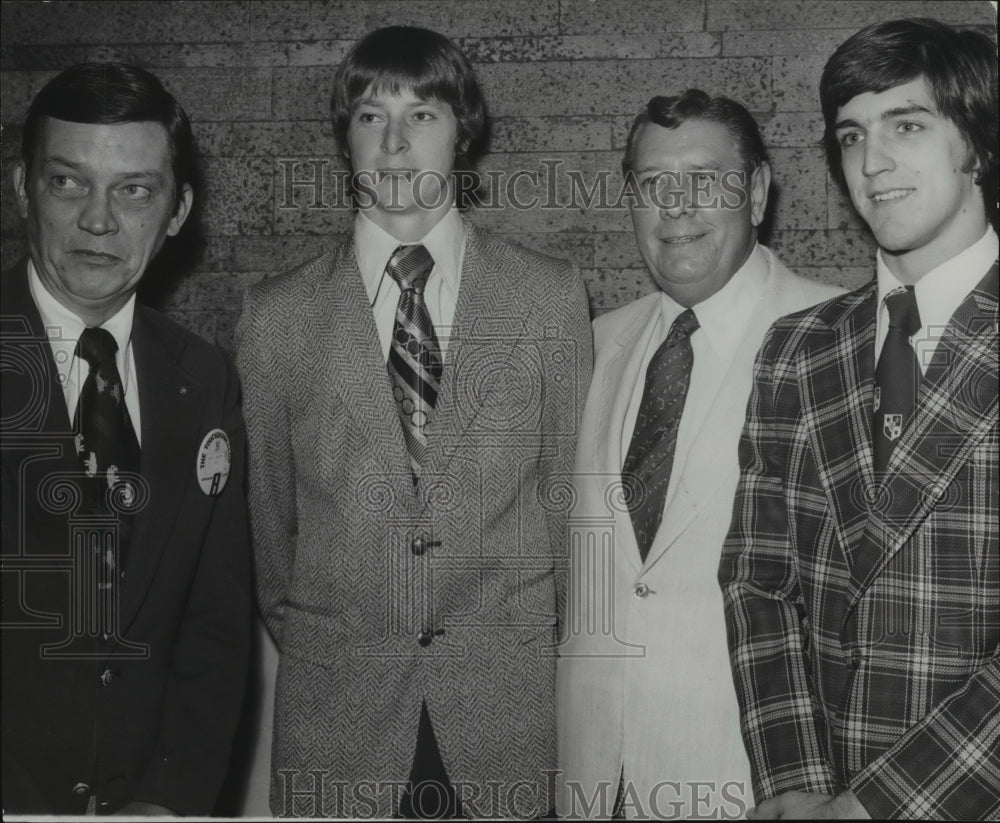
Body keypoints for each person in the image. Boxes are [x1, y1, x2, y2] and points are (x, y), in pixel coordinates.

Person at [236, 26, 591, 819]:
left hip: (503, 720)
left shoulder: (548, 297)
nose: (394, 142)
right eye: (369, 115)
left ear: (463, 130)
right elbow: (270, 539)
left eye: (422, 114)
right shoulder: (276, 317)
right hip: (339, 726)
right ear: (345, 137)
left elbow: (569, 506)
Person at [720, 18, 998, 820]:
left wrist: (873, 807)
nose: (871, 164)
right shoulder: (799, 348)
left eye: (906, 125)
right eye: (851, 136)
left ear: (976, 143)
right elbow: (757, 580)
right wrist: (798, 779)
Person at [556, 90, 842, 819]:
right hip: (591, 778)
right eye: (653, 184)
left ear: (756, 193)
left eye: (705, 180)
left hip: (759, 782)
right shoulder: (593, 344)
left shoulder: (840, 341)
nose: (675, 207)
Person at [0, 63, 252, 815]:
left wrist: (169, 802)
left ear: (177, 211)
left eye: (136, 190)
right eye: (68, 183)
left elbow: (216, 628)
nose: (100, 220)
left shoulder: (204, 378)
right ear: (22, 189)